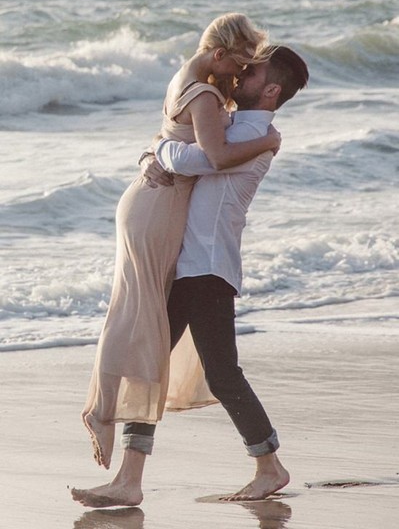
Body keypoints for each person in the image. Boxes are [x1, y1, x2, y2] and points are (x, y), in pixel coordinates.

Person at [71, 45, 309, 508]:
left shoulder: (250, 136)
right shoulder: (238, 127)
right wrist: (153, 152)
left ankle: (268, 466)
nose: (241, 75)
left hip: (207, 269)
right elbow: (187, 149)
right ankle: (130, 479)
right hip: (193, 267)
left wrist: (157, 148)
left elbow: (200, 159)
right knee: (156, 359)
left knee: (221, 373)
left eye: (253, 72)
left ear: (272, 89)